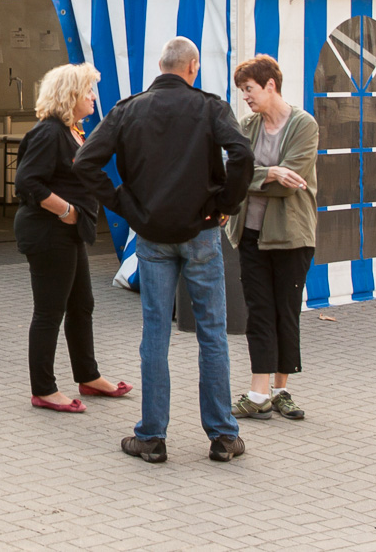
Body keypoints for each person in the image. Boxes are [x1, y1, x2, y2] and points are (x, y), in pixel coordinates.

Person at [74, 36, 253, 465]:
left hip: (152, 233)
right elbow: (242, 154)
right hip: (202, 230)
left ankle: (152, 436)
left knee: (155, 333)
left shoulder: (127, 109)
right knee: (212, 333)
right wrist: (224, 204)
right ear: (192, 67)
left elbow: (85, 162)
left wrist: (124, 206)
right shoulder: (210, 106)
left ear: (160, 65)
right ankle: (223, 435)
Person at [13, 63, 129, 411]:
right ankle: (44, 390)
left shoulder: (72, 130)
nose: (93, 96)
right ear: (70, 95)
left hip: (68, 233)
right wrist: (66, 210)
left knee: (81, 304)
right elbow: (27, 182)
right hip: (49, 232)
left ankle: (88, 375)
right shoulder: (49, 133)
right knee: (50, 311)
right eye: (88, 91)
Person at [226, 54, 318, 422]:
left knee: (286, 311)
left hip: (292, 236)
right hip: (250, 234)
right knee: (259, 311)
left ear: (270, 85)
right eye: (242, 91)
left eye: (248, 89)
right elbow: (234, 172)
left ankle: (280, 390)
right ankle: (258, 393)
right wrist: (270, 173)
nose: (245, 97)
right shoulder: (248, 126)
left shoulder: (303, 125)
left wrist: (265, 176)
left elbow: (291, 185)